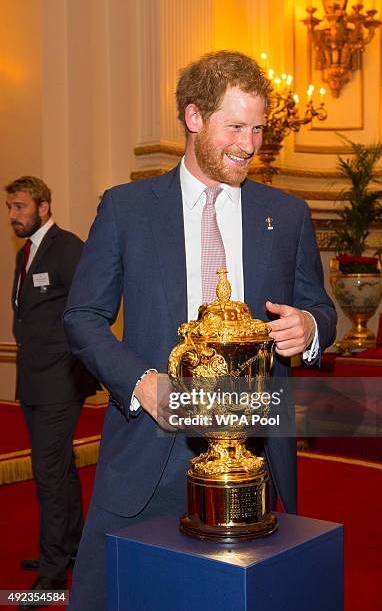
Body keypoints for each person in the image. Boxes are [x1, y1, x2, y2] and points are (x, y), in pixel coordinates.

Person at [63, 50, 337, 609]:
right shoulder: (126, 208)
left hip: (255, 462)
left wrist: (309, 327)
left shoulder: (286, 214)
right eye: (235, 126)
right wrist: (142, 384)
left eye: (258, 128)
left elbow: (321, 310)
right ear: (194, 118)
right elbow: (82, 316)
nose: (249, 144)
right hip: (148, 455)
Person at [5, 176, 99, 606]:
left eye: (19, 207)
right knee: (58, 470)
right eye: (9, 207)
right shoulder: (27, 252)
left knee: (46, 475)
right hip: (33, 380)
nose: (12, 215)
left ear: (44, 207)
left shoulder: (67, 246)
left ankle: (53, 571)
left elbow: (86, 308)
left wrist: (68, 359)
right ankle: (72, 544)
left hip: (60, 380)